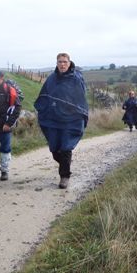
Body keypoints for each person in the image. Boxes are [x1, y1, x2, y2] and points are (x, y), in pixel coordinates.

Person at [34, 53, 89, 189]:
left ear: (69, 63)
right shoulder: (52, 79)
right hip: (54, 118)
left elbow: (81, 99)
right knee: (54, 149)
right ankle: (66, 162)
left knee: (65, 147)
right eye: (60, 62)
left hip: (70, 119)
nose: (62, 64)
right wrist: (42, 109)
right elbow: (44, 95)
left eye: (65, 62)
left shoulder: (76, 78)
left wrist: (76, 112)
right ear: (56, 63)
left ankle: (64, 176)